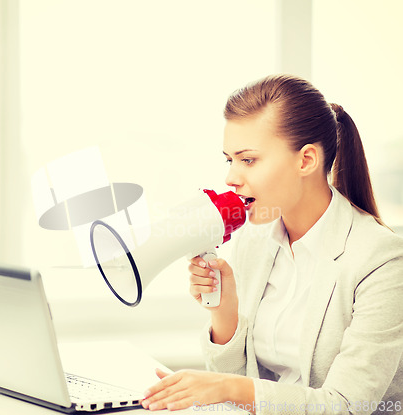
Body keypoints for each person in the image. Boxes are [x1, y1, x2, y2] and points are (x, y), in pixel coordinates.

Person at [141, 74, 403, 414]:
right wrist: (225, 312)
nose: (231, 178)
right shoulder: (255, 241)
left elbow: (347, 407)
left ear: (306, 160)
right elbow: (237, 397)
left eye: (248, 159)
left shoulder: (381, 260)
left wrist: (226, 386)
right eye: (229, 159)